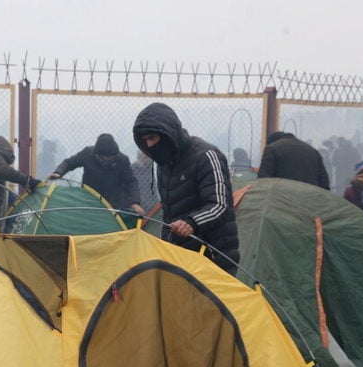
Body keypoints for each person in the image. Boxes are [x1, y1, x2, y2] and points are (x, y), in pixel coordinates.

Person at [133, 102, 240, 276]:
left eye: (152, 138)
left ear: (166, 133)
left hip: (214, 257)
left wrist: (192, 223)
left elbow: (220, 205)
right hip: (182, 257)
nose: (149, 145)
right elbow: (169, 213)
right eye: (145, 140)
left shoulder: (206, 156)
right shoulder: (163, 164)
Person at [48, 134, 144, 216]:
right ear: (96, 154)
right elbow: (69, 163)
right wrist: (58, 172)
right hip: (88, 201)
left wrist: (135, 202)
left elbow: (131, 182)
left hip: (112, 205)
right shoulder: (87, 154)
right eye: (103, 157)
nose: (106, 160)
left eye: (109, 157)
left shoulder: (122, 160)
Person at [257, 131, 330, 190]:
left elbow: (263, 180)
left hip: (283, 200)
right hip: (310, 201)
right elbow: (324, 184)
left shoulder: (272, 148)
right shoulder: (313, 151)